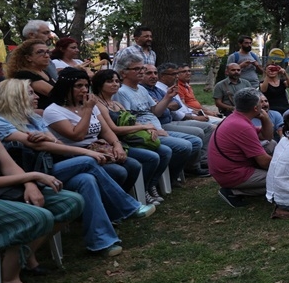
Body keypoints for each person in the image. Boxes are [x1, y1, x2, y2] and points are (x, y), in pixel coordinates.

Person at [0, 79, 154, 257]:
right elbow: (39, 146)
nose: (36, 96)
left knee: (86, 179)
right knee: (88, 163)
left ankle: (101, 241)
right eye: (30, 92)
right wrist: (86, 153)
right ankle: (128, 207)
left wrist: (47, 138)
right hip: (26, 176)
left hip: (48, 168)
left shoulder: (33, 117)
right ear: (14, 96)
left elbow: (53, 142)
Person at [0, 123, 84, 283]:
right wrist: (32, 176)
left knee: (71, 202)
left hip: (0, 189)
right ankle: (8, 281)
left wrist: (29, 185)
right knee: (37, 217)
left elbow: (8, 165)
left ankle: (20, 257)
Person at [112, 53, 203, 184]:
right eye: (137, 69)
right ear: (123, 73)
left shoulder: (141, 89)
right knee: (185, 146)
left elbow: (156, 112)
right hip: (144, 134)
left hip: (157, 129)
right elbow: (128, 119)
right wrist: (152, 129)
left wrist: (167, 97)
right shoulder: (122, 92)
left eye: (142, 68)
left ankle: (170, 176)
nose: (141, 72)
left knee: (195, 141)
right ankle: (157, 181)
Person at [91, 69, 172, 205]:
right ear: (99, 84)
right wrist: (143, 127)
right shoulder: (98, 105)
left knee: (165, 151)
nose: (115, 84)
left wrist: (150, 128)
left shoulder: (116, 104)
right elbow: (114, 129)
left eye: (117, 81)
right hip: (117, 144)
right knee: (151, 157)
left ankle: (151, 184)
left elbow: (132, 120)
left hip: (131, 138)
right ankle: (143, 190)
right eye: (110, 81)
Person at [209, 89, 273, 208]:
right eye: (261, 103)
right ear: (255, 108)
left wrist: (265, 119)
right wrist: (287, 167)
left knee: (271, 144)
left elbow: (267, 137)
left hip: (227, 169)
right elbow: (264, 162)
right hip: (232, 174)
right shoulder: (242, 126)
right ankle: (233, 191)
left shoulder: (237, 117)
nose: (263, 105)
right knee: (283, 180)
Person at [145, 63, 213, 172]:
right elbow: (158, 111)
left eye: (155, 73)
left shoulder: (157, 90)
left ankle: (203, 160)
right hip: (162, 124)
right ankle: (191, 167)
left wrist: (163, 103)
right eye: (149, 73)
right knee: (198, 133)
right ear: (163, 76)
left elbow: (177, 104)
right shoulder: (147, 90)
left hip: (171, 120)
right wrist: (166, 103)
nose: (177, 76)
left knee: (210, 127)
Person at [6, 39, 55, 110]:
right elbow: (55, 93)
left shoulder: (44, 72)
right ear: (28, 57)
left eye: (48, 52)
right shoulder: (24, 74)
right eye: (40, 52)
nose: (47, 56)